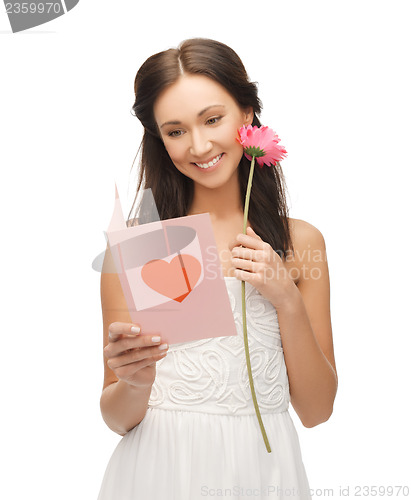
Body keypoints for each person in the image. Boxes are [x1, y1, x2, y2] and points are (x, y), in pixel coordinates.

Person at [97, 38, 338, 500]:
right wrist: (135, 381)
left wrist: (286, 297)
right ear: (159, 139)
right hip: (159, 472)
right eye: (176, 131)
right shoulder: (142, 244)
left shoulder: (300, 243)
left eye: (212, 119)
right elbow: (115, 417)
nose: (200, 145)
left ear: (246, 114)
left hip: (264, 474)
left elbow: (317, 410)